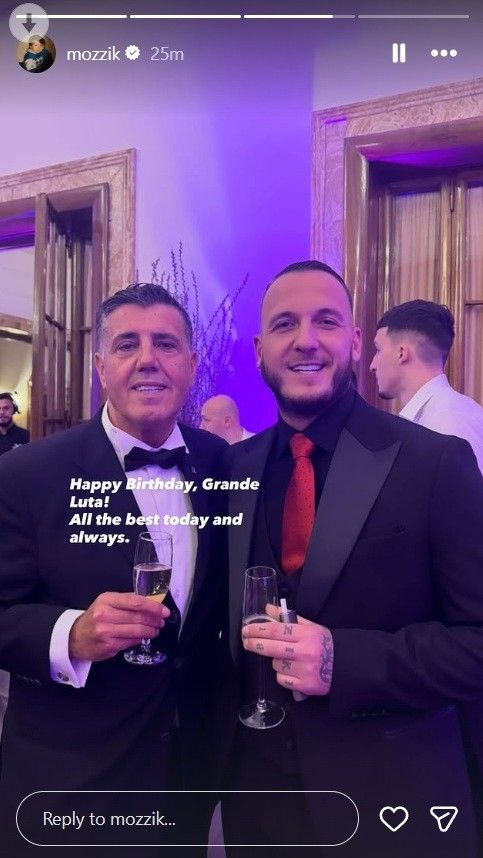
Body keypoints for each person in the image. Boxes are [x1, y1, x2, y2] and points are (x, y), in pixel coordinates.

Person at [217, 260, 483, 858]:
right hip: (258, 806)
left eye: (327, 321)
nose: (306, 340)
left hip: (393, 807)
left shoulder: (436, 462)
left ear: (356, 342)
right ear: (259, 349)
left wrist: (344, 661)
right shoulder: (235, 468)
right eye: (285, 324)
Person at [0, 283, 226, 855]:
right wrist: (69, 634)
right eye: (127, 345)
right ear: (101, 366)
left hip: (188, 778)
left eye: (166, 344)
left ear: (191, 364)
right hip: (72, 778)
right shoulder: (27, 474)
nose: (148, 359)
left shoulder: (222, 464)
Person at [370, 299, 483, 474]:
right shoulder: (452, 415)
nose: (372, 365)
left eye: (378, 350)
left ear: (401, 353)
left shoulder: (445, 425)